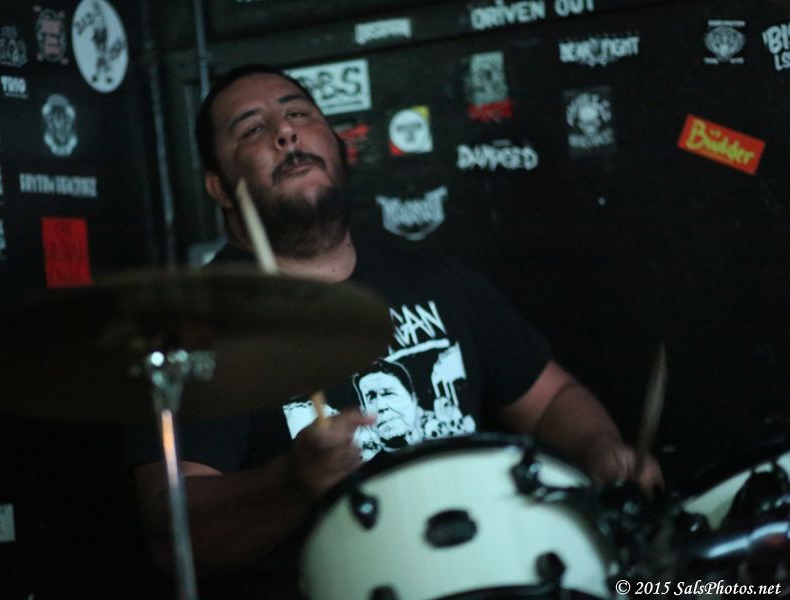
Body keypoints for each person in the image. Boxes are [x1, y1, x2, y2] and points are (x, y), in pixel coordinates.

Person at [128, 63, 663, 598]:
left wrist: (599, 448)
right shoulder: (200, 325)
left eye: (299, 114)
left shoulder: (434, 277)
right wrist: (291, 482)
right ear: (219, 187)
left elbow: (551, 399)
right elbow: (172, 533)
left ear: (338, 146)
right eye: (251, 128)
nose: (284, 132)